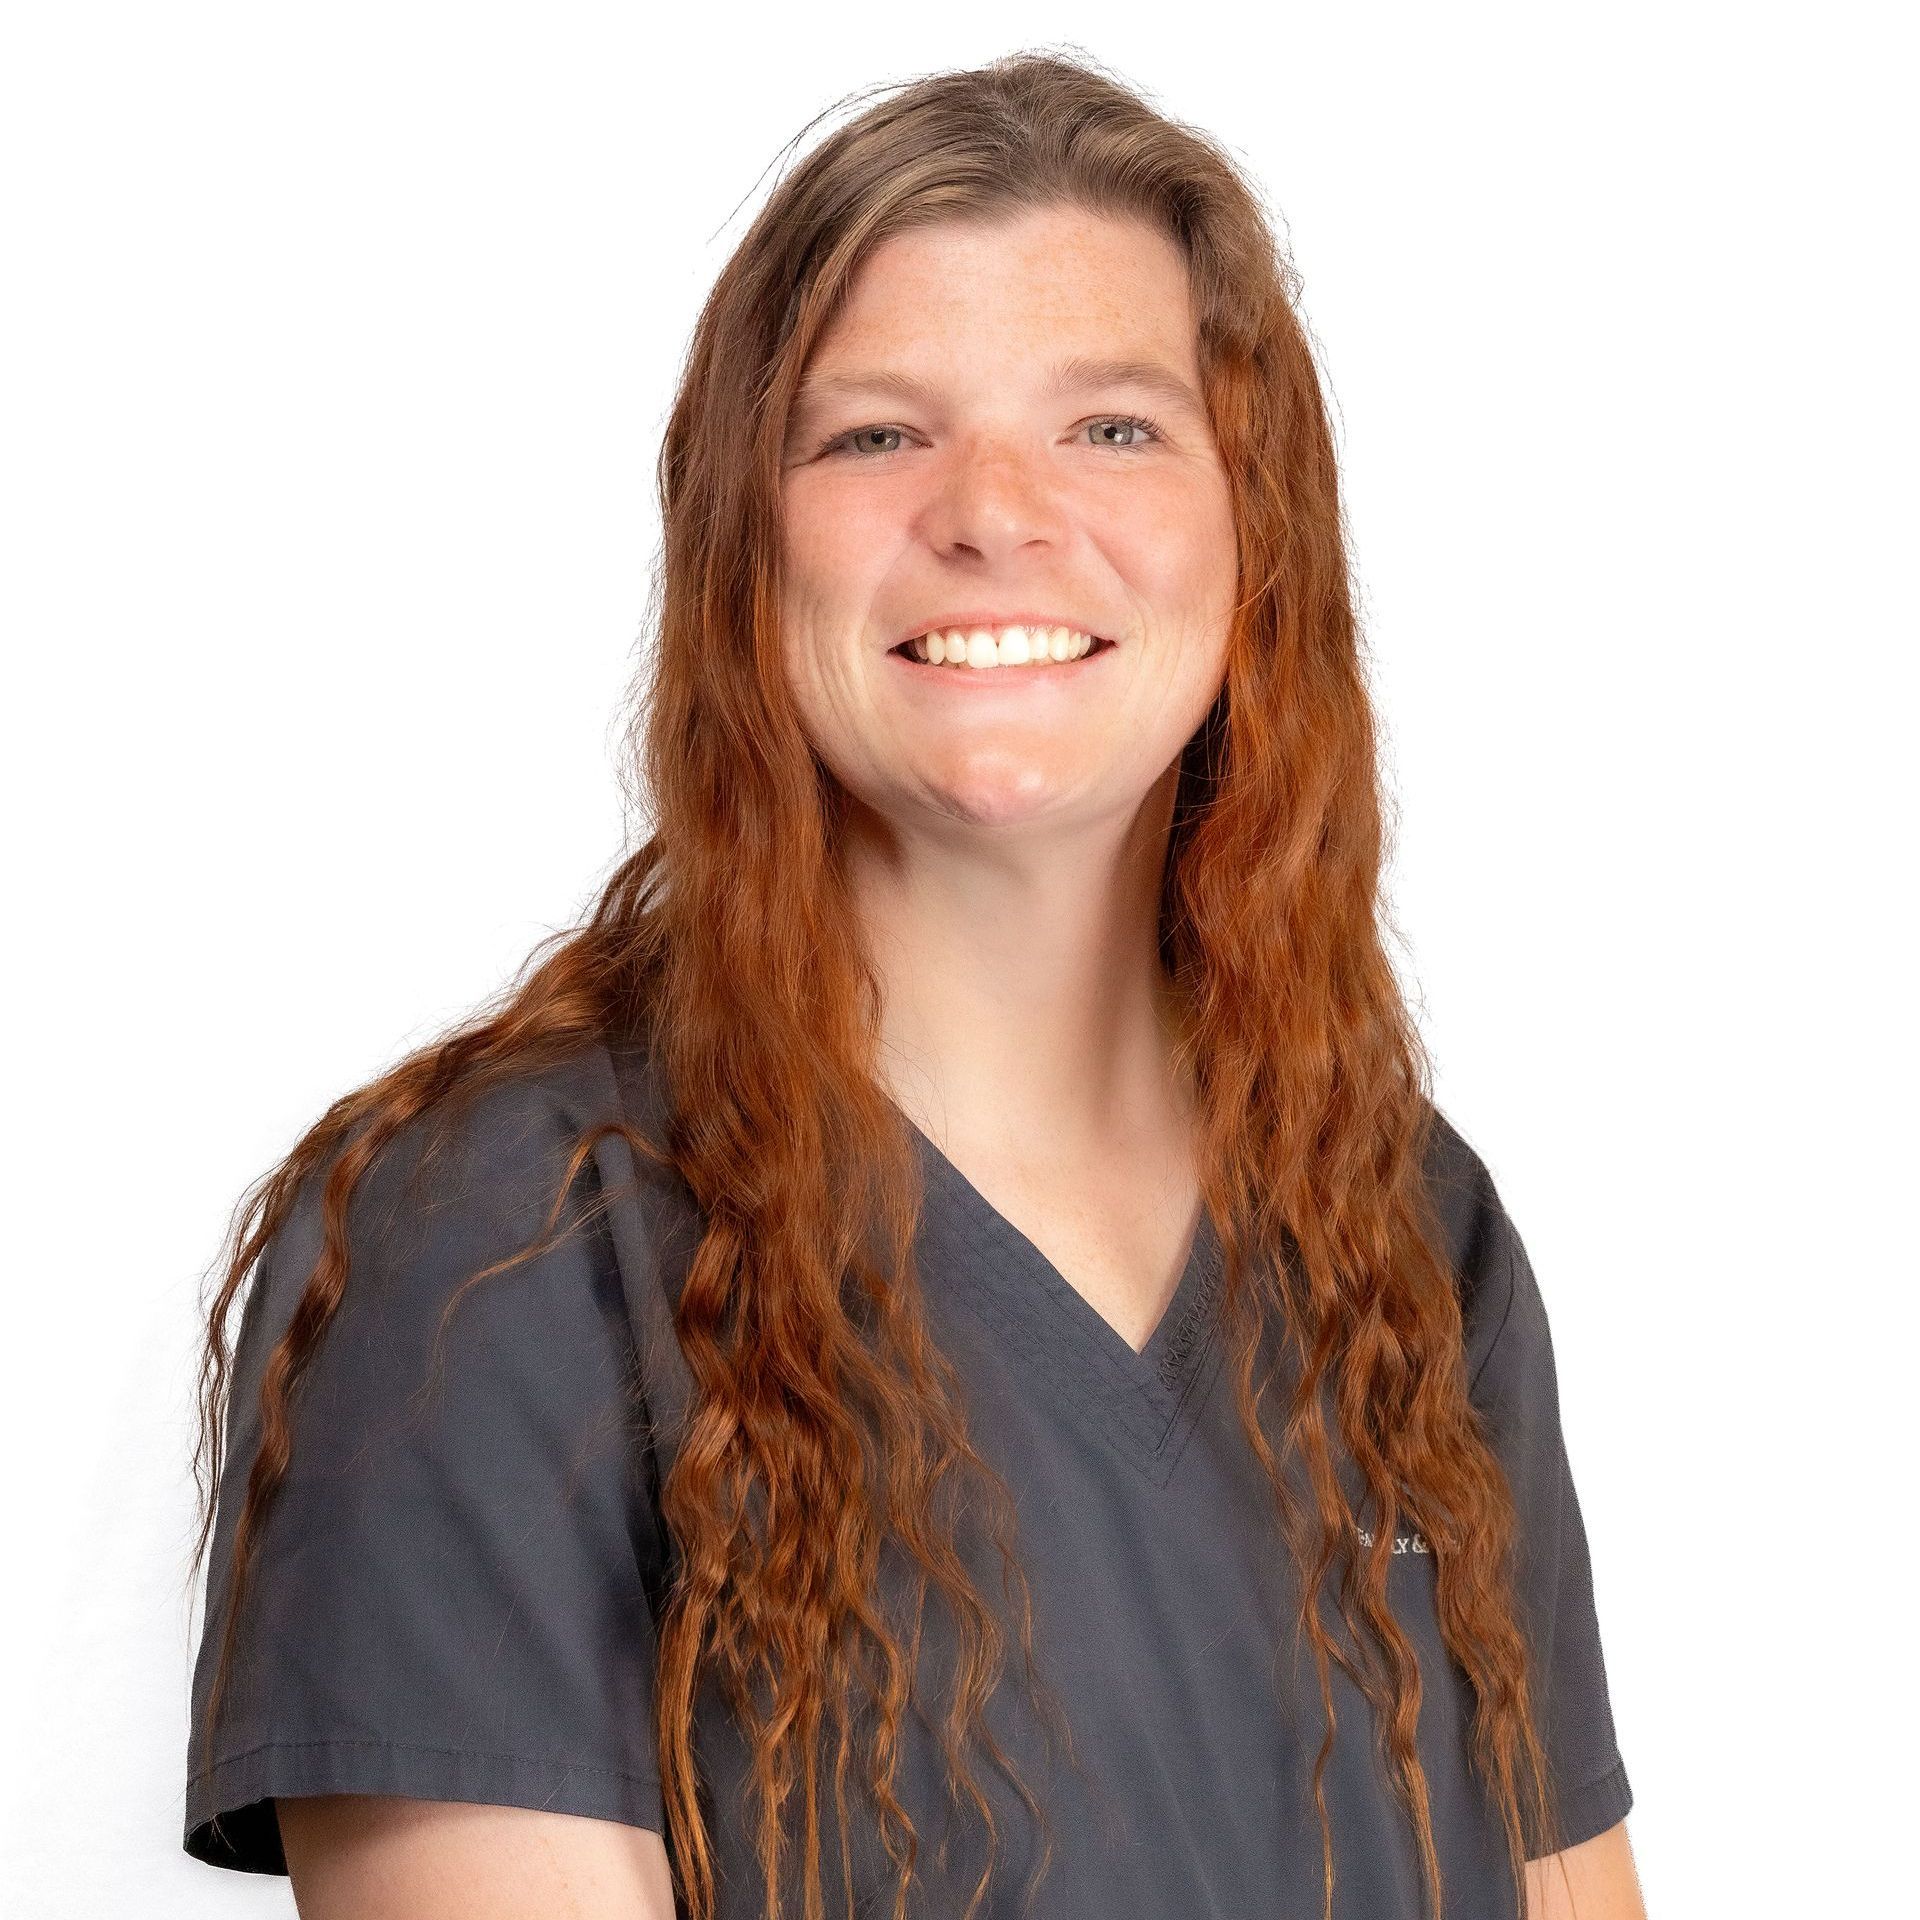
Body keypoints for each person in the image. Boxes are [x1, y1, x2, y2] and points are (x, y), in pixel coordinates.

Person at [181, 50, 1645, 1920]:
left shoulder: (1409, 1231)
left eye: (1113, 428)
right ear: (738, 550)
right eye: (876, 435)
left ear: (1253, 532)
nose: (995, 511)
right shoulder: (497, 1246)